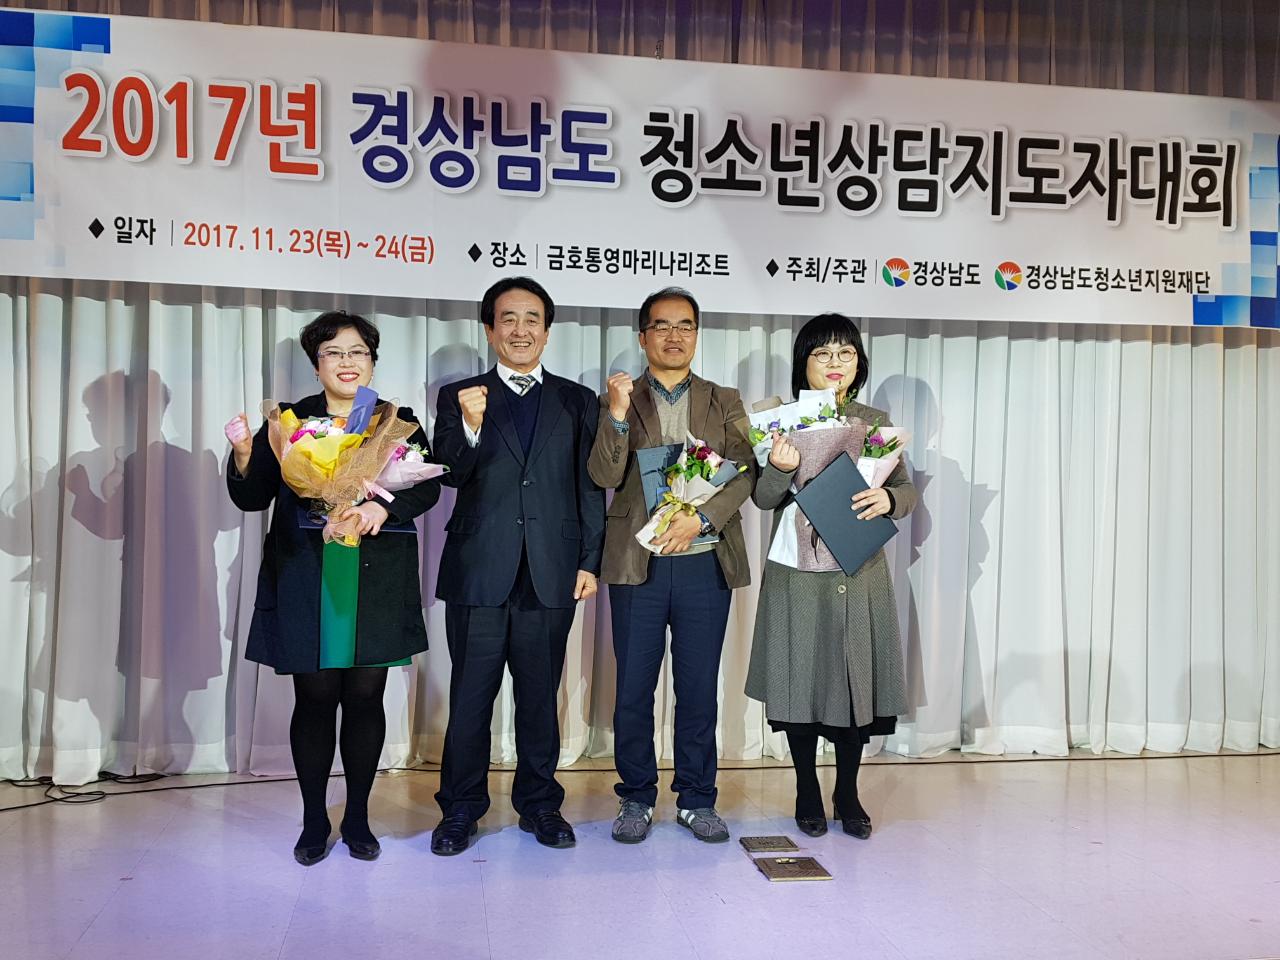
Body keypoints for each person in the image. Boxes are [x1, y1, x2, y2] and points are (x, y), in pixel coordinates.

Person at [225, 311, 443, 865]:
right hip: (307, 572)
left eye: (357, 352)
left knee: (366, 698)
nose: (347, 362)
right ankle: (313, 818)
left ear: (372, 361)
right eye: (334, 353)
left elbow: (425, 488)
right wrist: (246, 454)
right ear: (316, 363)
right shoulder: (289, 421)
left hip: (377, 574)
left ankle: (360, 817)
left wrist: (380, 506)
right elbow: (253, 497)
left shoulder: (396, 420)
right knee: (315, 698)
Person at [429, 276, 604, 856]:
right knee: (470, 699)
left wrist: (589, 560)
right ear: (489, 330)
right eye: (508, 319)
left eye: (533, 320)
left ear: (547, 332)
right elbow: (448, 473)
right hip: (479, 569)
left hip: (551, 569)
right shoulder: (460, 395)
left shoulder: (577, 400)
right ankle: (460, 810)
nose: (521, 330)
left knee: (539, 698)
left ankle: (540, 805)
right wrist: (471, 427)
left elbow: (589, 486)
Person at [588, 287, 756, 845]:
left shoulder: (723, 399)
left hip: (704, 563)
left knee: (698, 688)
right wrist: (616, 416)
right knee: (634, 688)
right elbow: (604, 476)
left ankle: (697, 798)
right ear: (643, 337)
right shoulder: (617, 398)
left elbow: (746, 473)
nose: (674, 336)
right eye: (662, 326)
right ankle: (636, 796)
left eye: (685, 326)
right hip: (636, 562)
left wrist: (701, 518)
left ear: (697, 335)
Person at [746, 313, 917, 839]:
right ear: (805, 364)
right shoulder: (780, 419)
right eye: (822, 353)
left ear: (859, 363)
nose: (835, 362)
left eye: (845, 352)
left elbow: (906, 491)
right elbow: (763, 499)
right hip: (796, 569)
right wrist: (779, 468)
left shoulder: (873, 419)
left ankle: (847, 792)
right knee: (799, 679)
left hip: (857, 567)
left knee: (852, 681)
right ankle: (805, 789)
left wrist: (888, 499)